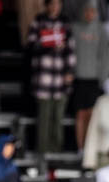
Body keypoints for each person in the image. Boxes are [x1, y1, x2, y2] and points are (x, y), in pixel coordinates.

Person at [28, 0, 75, 155]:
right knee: (44, 119)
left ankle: (56, 154)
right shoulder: (39, 21)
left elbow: (71, 49)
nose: (55, 7)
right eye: (52, 4)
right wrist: (49, 45)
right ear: (47, 5)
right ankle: (42, 153)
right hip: (44, 79)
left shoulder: (65, 22)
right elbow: (31, 46)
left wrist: (70, 71)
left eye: (58, 4)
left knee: (58, 120)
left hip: (61, 80)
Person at [69, 1, 107, 151]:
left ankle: (89, 148)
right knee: (80, 114)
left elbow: (104, 55)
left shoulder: (101, 30)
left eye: (93, 11)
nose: (90, 14)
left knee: (92, 115)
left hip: (94, 78)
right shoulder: (74, 28)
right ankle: (80, 147)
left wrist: (103, 77)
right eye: (87, 11)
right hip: (78, 78)